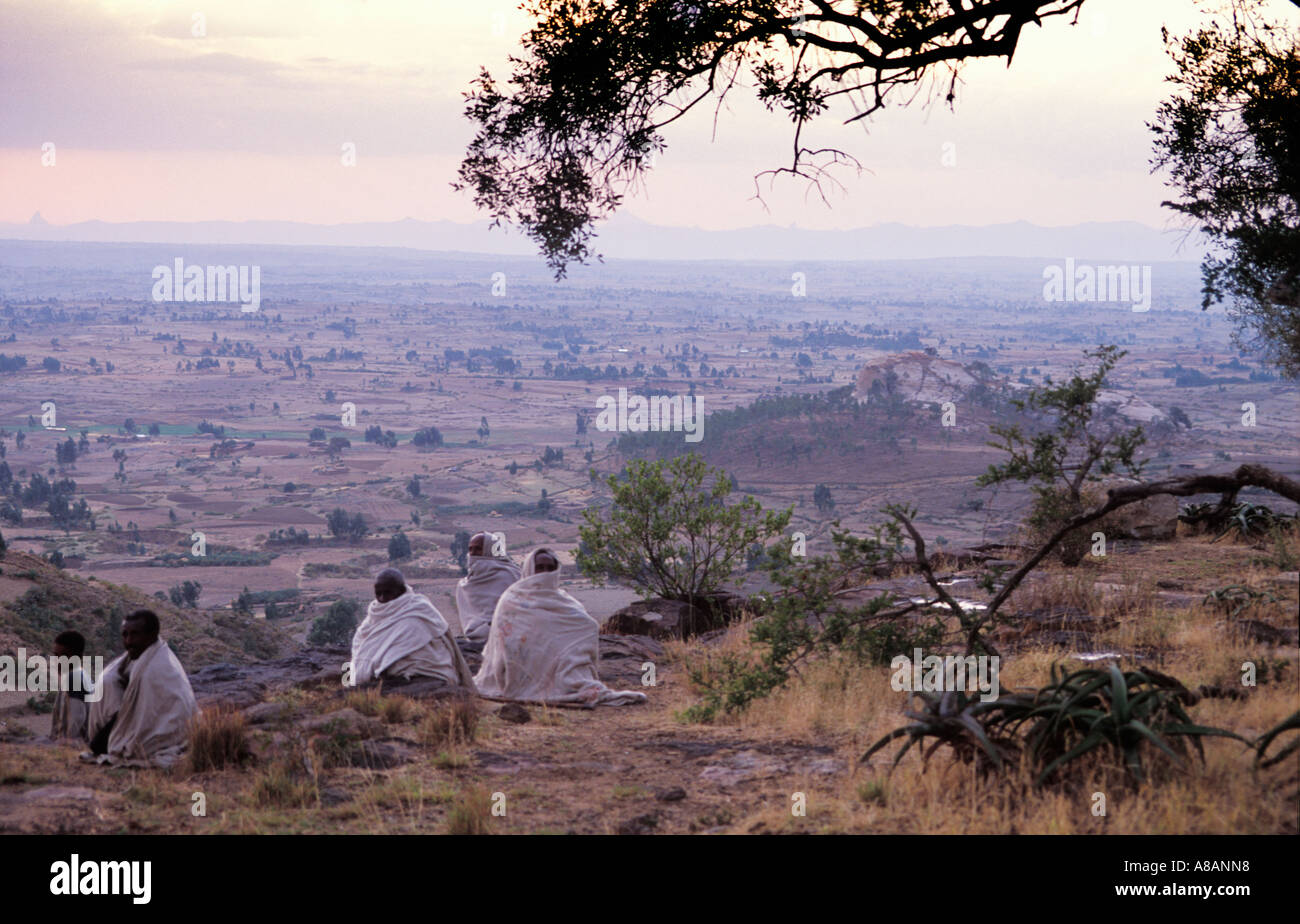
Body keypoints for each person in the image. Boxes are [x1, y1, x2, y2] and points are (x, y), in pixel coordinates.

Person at [474, 548, 648, 706]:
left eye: (550, 568)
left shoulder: (563, 600)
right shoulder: (511, 599)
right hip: (519, 664)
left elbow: (585, 625)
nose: (544, 573)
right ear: (529, 569)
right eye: (540, 567)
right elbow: (503, 639)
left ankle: (567, 678)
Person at [84, 610, 198, 768]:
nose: (129, 641)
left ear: (152, 635)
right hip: (129, 728)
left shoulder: (156, 670)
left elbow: (149, 719)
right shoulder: (135, 660)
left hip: (162, 737)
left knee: (104, 745)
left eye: (135, 634)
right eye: (125, 635)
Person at [350, 568, 476, 692]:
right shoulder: (373, 616)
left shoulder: (418, 611)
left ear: (401, 591)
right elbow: (358, 648)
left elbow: (399, 652)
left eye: (388, 593)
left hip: (423, 673)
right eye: (378, 593)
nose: (382, 598)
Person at [455, 530, 521, 644]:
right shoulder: (464, 585)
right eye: (470, 549)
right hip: (474, 640)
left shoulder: (510, 576)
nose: (473, 553)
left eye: (478, 549)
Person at [49, 630, 94, 742]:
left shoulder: (75, 679)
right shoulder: (78, 676)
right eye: (56, 655)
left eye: (63, 656)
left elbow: (73, 726)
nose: (58, 661)